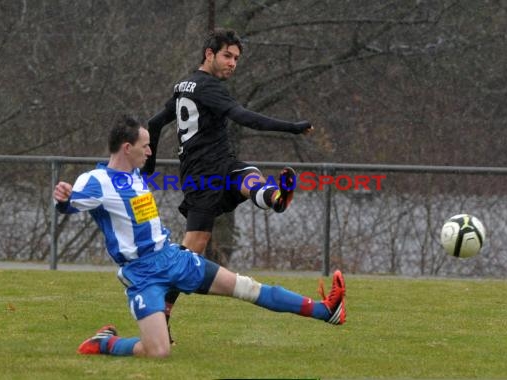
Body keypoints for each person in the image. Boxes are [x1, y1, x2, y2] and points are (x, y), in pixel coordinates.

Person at [54, 115, 345, 358]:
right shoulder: (97, 181)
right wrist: (64, 198)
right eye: (145, 146)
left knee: (247, 288)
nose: (150, 151)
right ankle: (106, 342)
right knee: (159, 352)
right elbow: (71, 203)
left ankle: (325, 310)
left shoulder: (136, 175)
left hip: (171, 257)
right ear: (127, 147)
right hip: (142, 274)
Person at [143, 28, 315, 335]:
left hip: (220, 165)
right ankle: (161, 312)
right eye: (227, 56)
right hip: (202, 176)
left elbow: (155, 123)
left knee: (249, 176)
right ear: (209, 54)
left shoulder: (184, 85)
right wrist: (292, 128)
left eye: (236, 58)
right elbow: (244, 116)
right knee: (192, 250)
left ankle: (276, 198)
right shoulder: (208, 86)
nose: (232, 63)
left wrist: (149, 168)